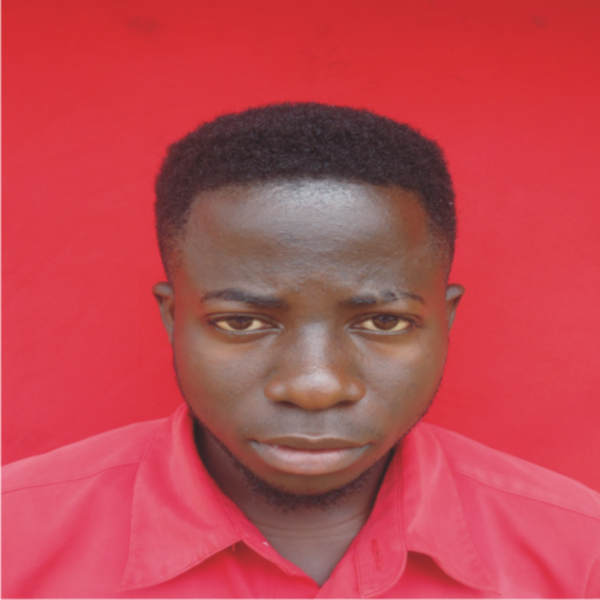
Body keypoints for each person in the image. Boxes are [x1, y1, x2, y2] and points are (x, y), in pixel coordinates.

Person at [3, 103, 599, 598]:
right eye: (241, 322)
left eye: (383, 321)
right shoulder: (14, 542)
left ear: (445, 323)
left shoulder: (580, 555)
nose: (315, 386)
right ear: (173, 318)